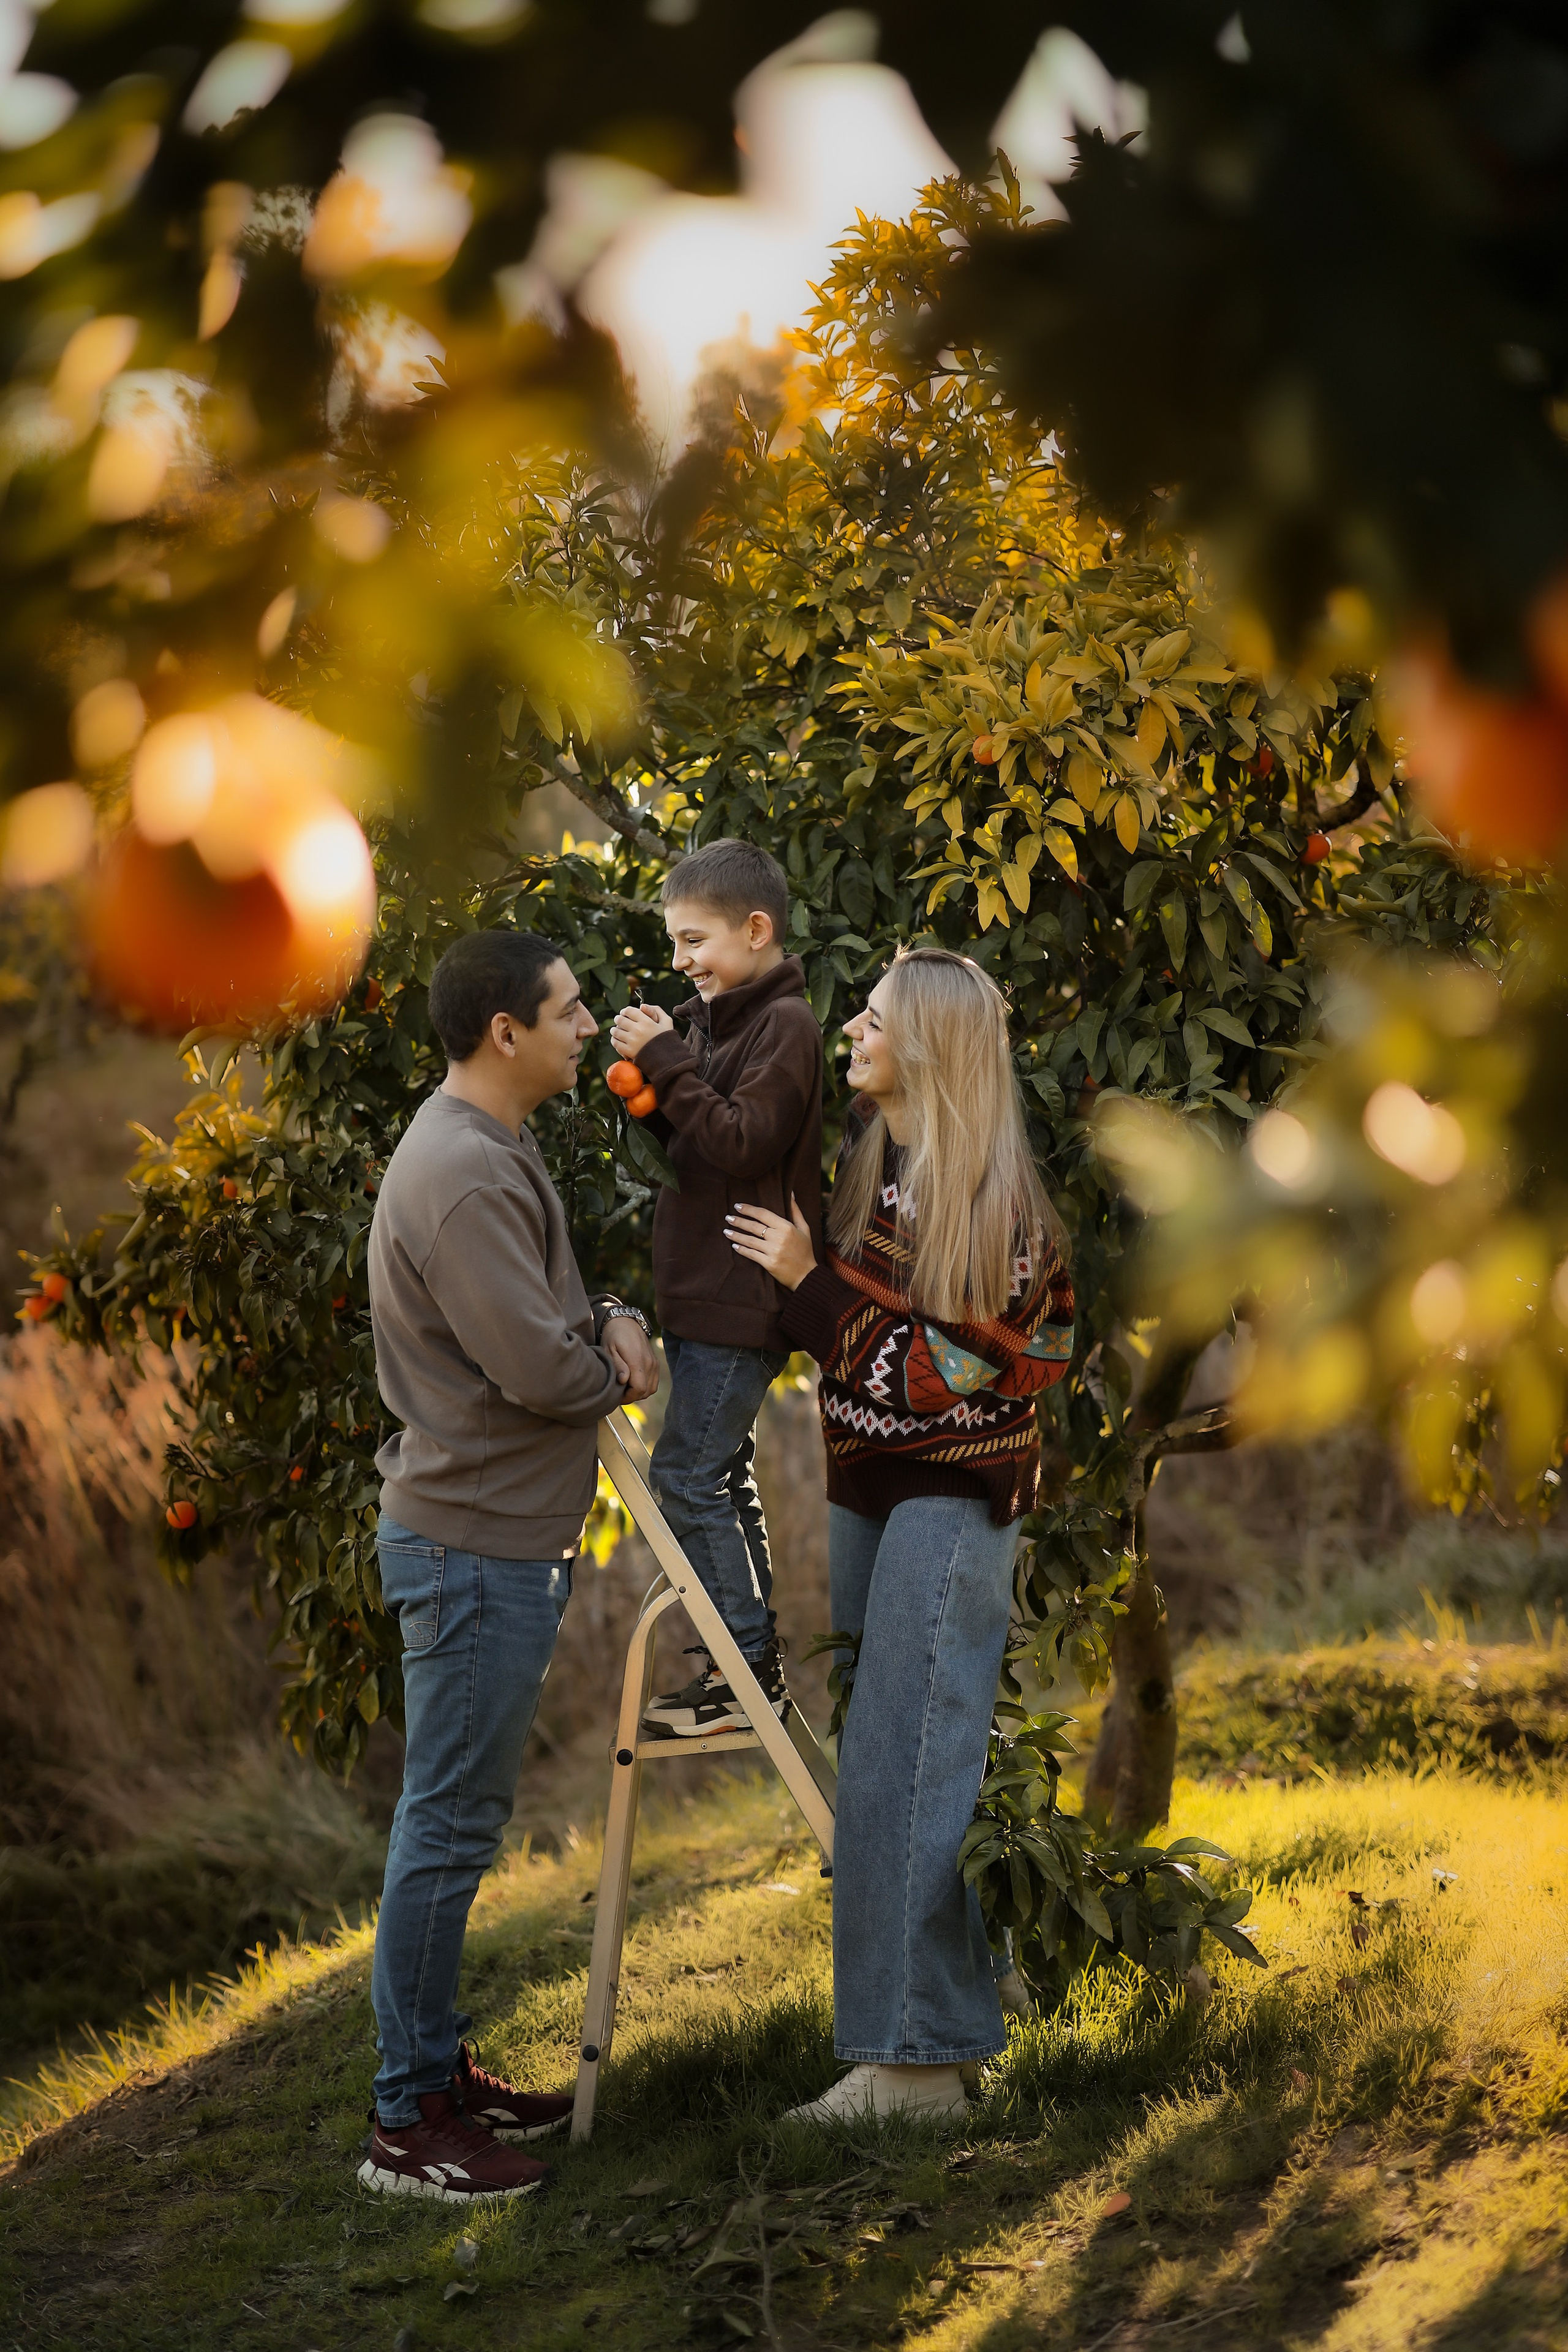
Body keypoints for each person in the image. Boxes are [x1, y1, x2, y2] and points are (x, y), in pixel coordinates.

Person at [726, 947, 1075, 2125]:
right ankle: (951, 2023)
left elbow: (947, 1373)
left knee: (903, 1760)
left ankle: (915, 2067)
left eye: (873, 1019)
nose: (853, 1032)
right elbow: (856, 1334)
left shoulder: (1002, 1209)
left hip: (955, 1495)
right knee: (901, 1756)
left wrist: (805, 1286)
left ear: (927, 1044)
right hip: (868, 1485)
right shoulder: (878, 1168)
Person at [360, 928, 659, 2201]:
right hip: (471, 1543)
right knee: (447, 1830)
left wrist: (608, 1321)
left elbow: (559, 1311)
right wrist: (618, 1358)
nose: (589, 1026)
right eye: (571, 1009)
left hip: (489, 1536)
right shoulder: (465, 1172)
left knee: (457, 1823)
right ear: (506, 1032)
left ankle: (434, 2072)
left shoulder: (492, 1145)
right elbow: (541, 1366)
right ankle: (404, 2124)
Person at [608, 840, 823, 1738]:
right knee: (719, 1478)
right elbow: (697, 1154)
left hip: (742, 1300)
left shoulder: (788, 1029)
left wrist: (666, 1061)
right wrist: (654, 1092)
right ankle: (744, 1669)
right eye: (675, 943)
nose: (682, 961)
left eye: (694, 940)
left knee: (686, 1478)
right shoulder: (714, 1024)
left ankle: (744, 1670)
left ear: (756, 929)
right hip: (702, 1296)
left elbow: (740, 1141)